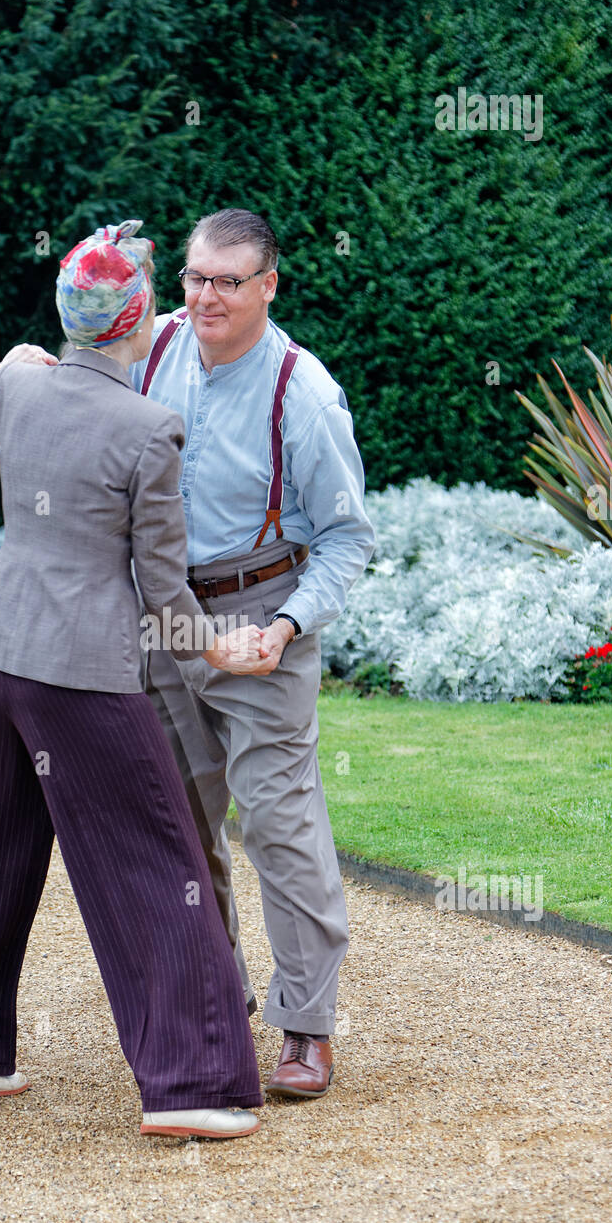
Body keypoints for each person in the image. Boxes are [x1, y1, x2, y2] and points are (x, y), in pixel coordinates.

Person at [0, 220, 266, 1140]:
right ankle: (198, 1086)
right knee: (155, 864)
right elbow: (162, 588)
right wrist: (221, 650)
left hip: (3, 656)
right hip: (88, 678)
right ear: (140, 322)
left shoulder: (19, 388)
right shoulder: (149, 428)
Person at [129, 208, 376, 1100]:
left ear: (269, 285)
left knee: (279, 823)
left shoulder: (303, 394)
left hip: (261, 615)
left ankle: (307, 1028)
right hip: (166, 623)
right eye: (196, 278)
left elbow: (349, 538)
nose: (207, 297)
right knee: (181, 824)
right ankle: (213, 1004)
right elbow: (86, 321)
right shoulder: (152, 344)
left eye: (229, 281)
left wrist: (286, 628)